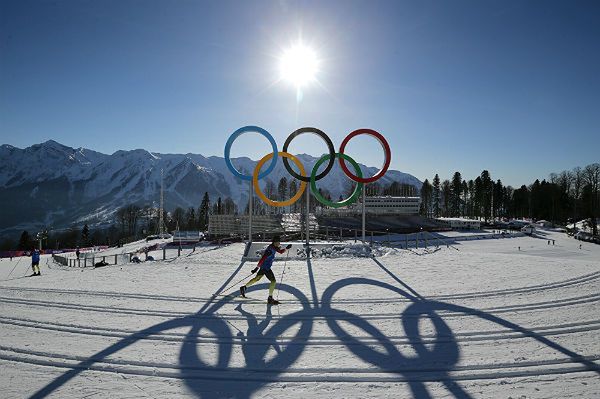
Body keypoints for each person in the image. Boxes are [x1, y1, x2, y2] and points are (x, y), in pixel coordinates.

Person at [240, 236, 292, 305]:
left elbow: (280, 251)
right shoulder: (270, 250)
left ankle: (244, 287)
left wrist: (286, 248)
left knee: (256, 279)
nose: (279, 243)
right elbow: (262, 259)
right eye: (278, 242)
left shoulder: (274, 247)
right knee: (273, 281)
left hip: (264, 267)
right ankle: (270, 298)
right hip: (266, 268)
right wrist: (256, 268)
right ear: (275, 242)